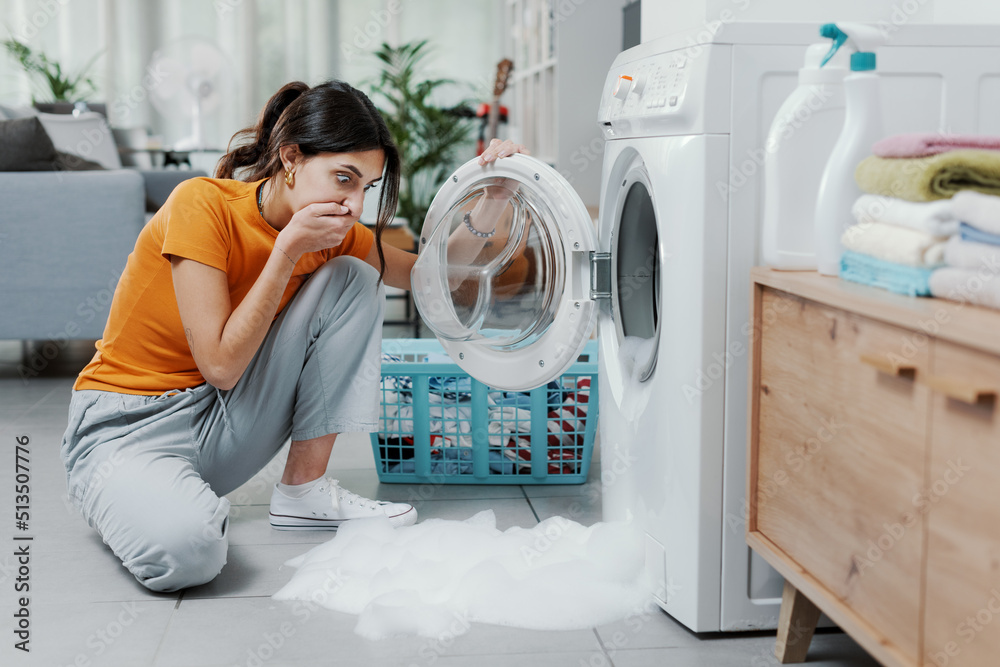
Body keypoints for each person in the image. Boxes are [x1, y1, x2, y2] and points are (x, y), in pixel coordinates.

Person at [59, 80, 528, 593]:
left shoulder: (335, 236)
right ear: (291, 158)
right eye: (343, 178)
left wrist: (493, 199)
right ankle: (128, 494)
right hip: (127, 426)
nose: (353, 204)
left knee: (352, 278)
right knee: (189, 555)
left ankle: (303, 494)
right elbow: (220, 364)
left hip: (220, 418)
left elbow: (433, 278)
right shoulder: (201, 205)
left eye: (365, 188)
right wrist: (286, 253)